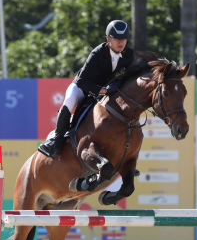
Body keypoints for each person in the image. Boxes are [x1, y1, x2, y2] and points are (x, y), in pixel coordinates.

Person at [38, 20, 135, 158]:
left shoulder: (128, 54)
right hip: (82, 88)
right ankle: (55, 141)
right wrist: (105, 91)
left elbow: (130, 75)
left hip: (103, 91)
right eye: (117, 39)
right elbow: (83, 82)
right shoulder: (98, 53)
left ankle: (125, 154)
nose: (121, 42)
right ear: (108, 39)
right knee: (69, 101)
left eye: (124, 39)